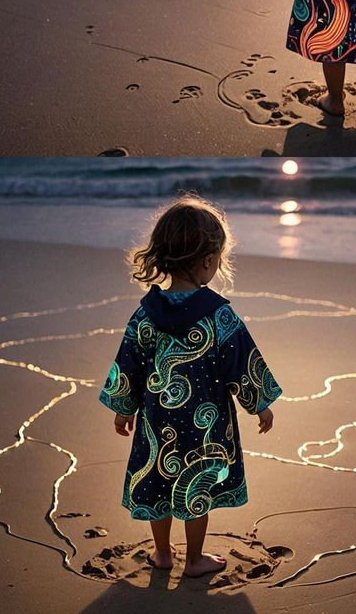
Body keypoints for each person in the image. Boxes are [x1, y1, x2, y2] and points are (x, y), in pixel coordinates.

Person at [99, 194, 282, 579]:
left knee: (158, 481)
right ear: (206, 261)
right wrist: (259, 404)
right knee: (195, 488)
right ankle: (194, 559)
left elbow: (128, 362)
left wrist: (123, 406)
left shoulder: (145, 314)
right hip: (206, 426)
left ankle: (163, 554)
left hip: (156, 422)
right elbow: (240, 362)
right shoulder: (218, 315)